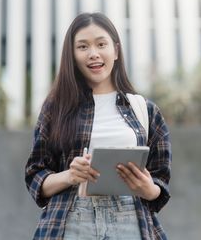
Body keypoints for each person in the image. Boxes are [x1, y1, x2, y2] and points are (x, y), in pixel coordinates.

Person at [25, 12, 171, 240]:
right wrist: (70, 176)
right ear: (72, 55)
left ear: (115, 50)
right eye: (83, 47)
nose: (93, 54)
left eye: (101, 44)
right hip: (71, 220)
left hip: (130, 220)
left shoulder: (145, 110)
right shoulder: (56, 108)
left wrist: (148, 189)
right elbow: (35, 176)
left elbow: (161, 179)